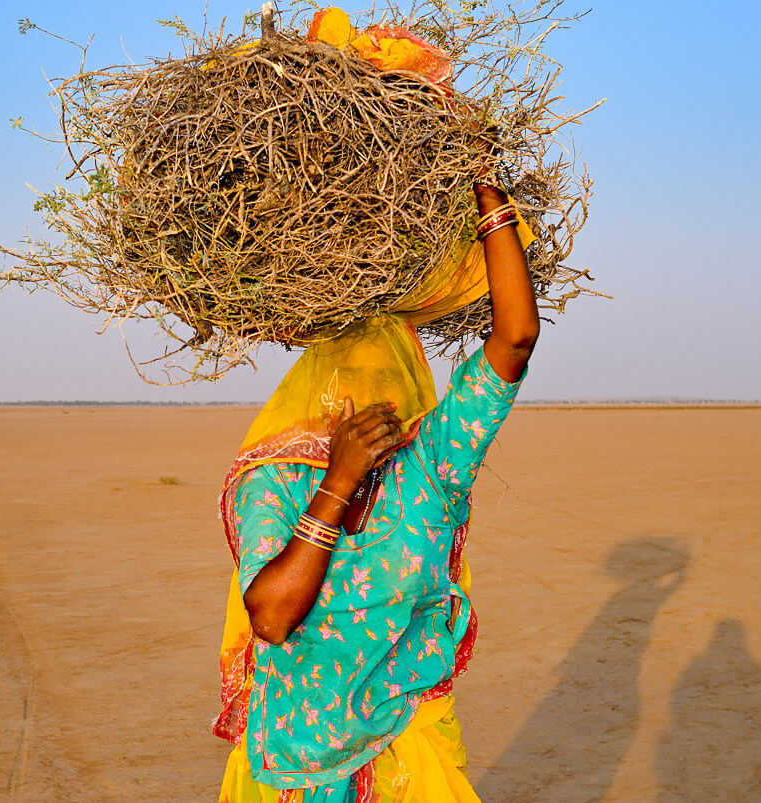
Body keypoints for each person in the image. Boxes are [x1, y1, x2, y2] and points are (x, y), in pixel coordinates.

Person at [214, 180, 539, 803]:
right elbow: (272, 617)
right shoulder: (275, 481)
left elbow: (515, 341)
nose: (365, 397)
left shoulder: (433, 465)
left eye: (384, 372)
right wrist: (337, 482)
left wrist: (489, 199)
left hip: (406, 751)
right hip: (297, 769)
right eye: (348, 379)